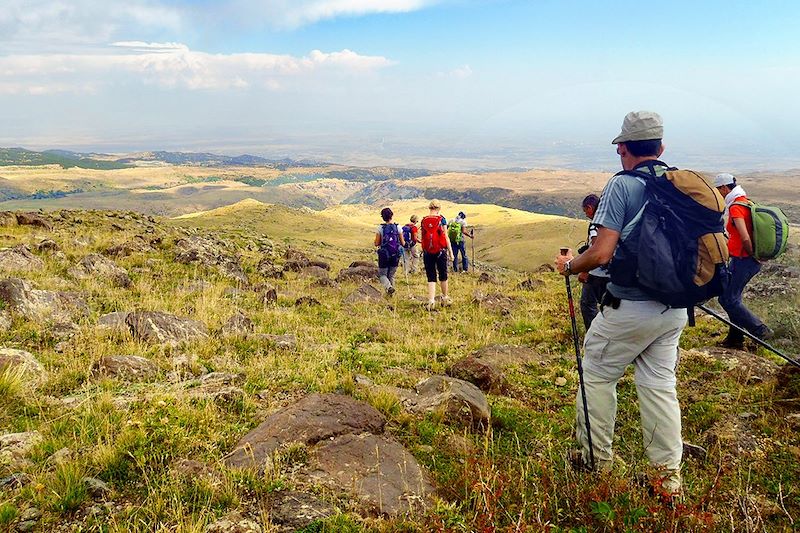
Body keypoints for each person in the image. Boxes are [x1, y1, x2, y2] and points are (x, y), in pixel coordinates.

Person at [554, 111, 686, 499]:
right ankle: (667, 479)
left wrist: (569, 266)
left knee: (595, 373)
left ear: (622, 148)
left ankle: (595, 462)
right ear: (661, 148)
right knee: (660, 385)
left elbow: (601, 252)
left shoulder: (623, 185)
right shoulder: (679, 182)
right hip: (675, 306)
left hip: (630, 303)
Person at [714, 173, 773, 348]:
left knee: (727, 299)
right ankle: (735, 338)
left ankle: (760, 330)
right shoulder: (746, 201)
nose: (718, 193)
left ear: (724, 188)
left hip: (744, 260)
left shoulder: (736, 207)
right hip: (743, 260)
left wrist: (752, 254)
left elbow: (744, 236)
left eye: (718, 189)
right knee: (733, 298)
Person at [578, 194, 610, 331]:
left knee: (587, 305)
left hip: (595, 273)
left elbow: (597, 248)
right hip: (611, 274)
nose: (586, 214)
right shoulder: (611, 220)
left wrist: (585, 270)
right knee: (609, 308)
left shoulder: (595, 225)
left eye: (586, 211)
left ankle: (594, 334)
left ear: (590, 208)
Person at [421, 200, 454, 310]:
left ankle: (431, 301)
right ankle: (445, 298)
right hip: (441, 251)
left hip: (427, 252)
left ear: (429, 208)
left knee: (431, 276)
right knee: (443, 275)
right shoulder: (442, 220)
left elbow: (423, 237)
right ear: (439, 208)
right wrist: (451, 252)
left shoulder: (424, 220)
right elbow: (445, 237)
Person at [374, 207, 405, 296]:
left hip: (384, 254)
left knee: (383, 275)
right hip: (395, 254)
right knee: (391, 275)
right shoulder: (398, 227)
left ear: (383, 217)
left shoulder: (380, 228)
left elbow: (377, 243)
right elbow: (403, 243)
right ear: (392, 215)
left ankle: (388, 288)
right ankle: (391, 295)